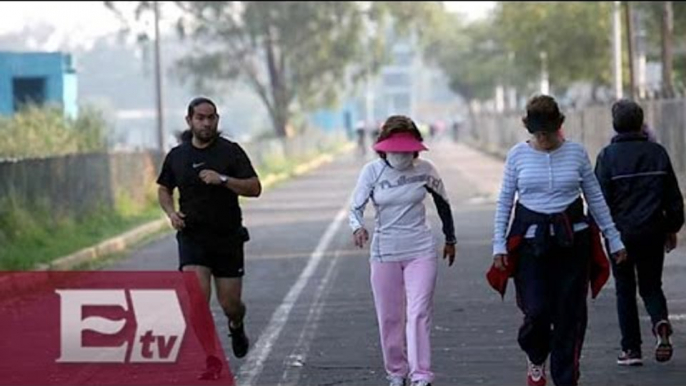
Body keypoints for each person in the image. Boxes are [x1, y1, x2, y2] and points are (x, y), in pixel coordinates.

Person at [491, 95, 627, 386]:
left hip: (571, 244)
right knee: (536, 312)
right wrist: (499, 244)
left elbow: (595, 198)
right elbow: (505, 201)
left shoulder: (576, 153)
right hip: (531, 246)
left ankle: (566, 378)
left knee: (570, 317)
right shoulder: (517, 155)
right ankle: (537, 355)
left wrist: (614, 239)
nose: (544, 139)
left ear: (558, 126)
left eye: (548, 132)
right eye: (538, 133)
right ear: (530, 129)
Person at [157, 97, 262, 378]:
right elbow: (164, 190)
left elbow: (255, 188)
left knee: (231, 305)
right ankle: (212, 357)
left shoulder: (230, 152)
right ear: (189, 121)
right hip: (192, 238)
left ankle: (236, 326)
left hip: (227, 238)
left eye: (211, 117)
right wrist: (171, 213)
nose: (206, 123)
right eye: (200, 118)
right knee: (198, 301)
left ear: (217, 120)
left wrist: (224, 180)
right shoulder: (177, 156)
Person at [349, 115, 457, 386]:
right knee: (390, 317)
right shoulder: (372, 172)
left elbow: (443, 203)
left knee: (419, 312)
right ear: (384, 147)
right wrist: (357, 227)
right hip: (385, 252)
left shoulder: (426, 170)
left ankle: (421, 374)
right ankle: (396, 371)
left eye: (407, 150)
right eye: (396, 150)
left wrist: (450, 238)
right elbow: (355, 208)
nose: (402, 156)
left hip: (420, 249)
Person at [595, 99, 684, 366]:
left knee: (625, 289)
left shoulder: (607, 157)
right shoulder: (657, 153)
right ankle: (660, 323)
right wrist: (672, 227)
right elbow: (674, 198)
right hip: (653, 232)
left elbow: (600, 200)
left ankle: (631, 349)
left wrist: (601, 232)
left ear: (614, 124)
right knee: (651, 285)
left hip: (620, 235)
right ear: (640, 122)